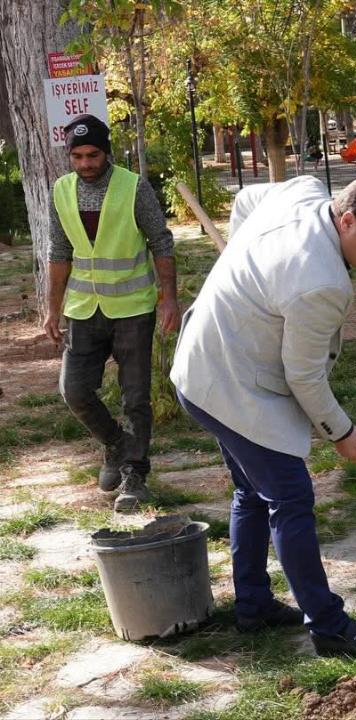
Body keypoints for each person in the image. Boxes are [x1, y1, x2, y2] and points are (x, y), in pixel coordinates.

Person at [170, 173, 356, 655]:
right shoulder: (321, 282)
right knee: (290, 497)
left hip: (201, 363)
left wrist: (248, 273)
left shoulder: (303, 190)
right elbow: (303, 377)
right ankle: (328, 627)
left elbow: (246, 199)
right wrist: (342, 432)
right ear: (347, 219)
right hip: (228, 384)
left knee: (252, 489)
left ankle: (253, 606)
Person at [43, 114, 179, 512]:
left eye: (93, 154)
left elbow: (161, 241)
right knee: (75, 390)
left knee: (135, 396)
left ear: (107, 152)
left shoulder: (133, 187)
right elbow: (59, 252)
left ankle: (135, 475)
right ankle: (116, 443)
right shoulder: (61, 191)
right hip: (84, 309)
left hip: (133, 308)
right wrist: (52, 309)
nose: (85, 163)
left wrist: (168, 297)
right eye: (77, 156)